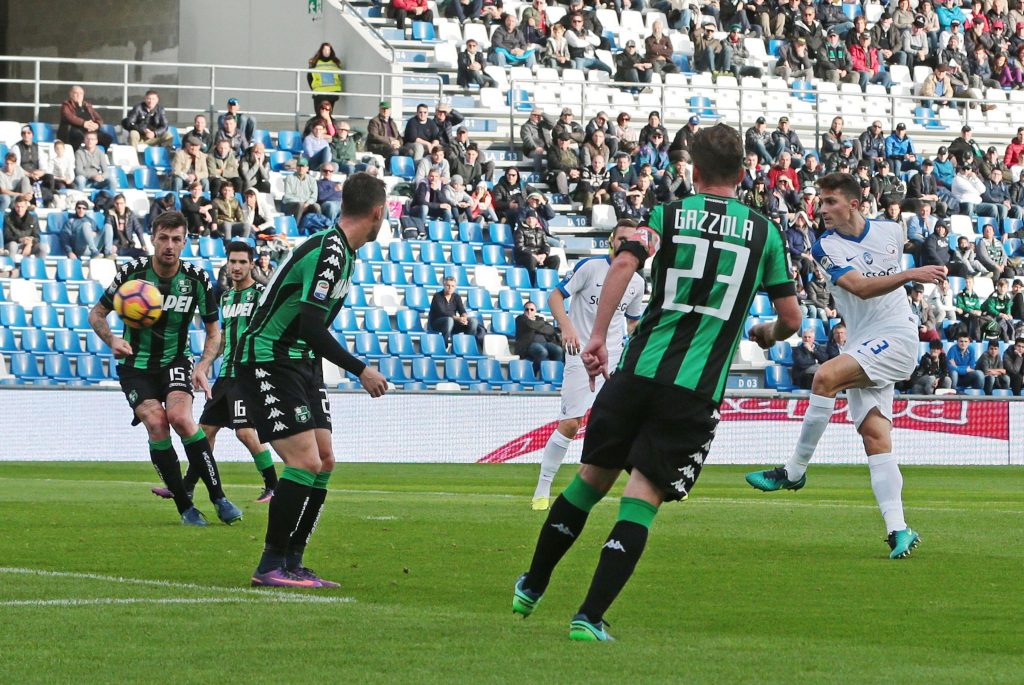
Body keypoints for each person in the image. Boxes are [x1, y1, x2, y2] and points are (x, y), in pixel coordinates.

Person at [512, 123, 801, 641]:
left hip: (637, 372)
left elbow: (624, 259)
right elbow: (792, 319)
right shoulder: (765, 233)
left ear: (692, 169)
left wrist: (597, 335)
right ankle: (588, 616)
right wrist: (767, 332)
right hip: (695, 388)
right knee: (641, 499)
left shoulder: (665, 216)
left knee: (589, 481)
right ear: (742, 172)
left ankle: (532, 583)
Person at [745, 172, 948, 560]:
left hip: (898, 337)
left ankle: (793, 471)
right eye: (820, 202)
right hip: (864, 342)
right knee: (875, 436)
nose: (822, 209)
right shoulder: (826, 246)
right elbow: (858, 286)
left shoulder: (891, 230)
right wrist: (910, 274)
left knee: (825, 376)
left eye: (830, 202)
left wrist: (925, 272)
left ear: (854, 204)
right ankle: (899, 529)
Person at [235, 173, 389, 587]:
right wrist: (360, 369)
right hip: (269, 358)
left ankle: (293, 560)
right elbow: (309, 325)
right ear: (377, 212)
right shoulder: (330, 251)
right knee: (303, 462)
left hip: (300, 361)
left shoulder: (344, 253)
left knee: (324, 461)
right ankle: (270, 565)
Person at [88, 212, 240, 526]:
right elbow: (97, 314)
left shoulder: (196, 278)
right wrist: (112, 339)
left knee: (182, 418)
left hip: (176, 360)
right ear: (153, 238)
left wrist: (203, 364)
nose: (169, 246)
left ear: (184, 242)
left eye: (176, 239)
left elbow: (215, 331)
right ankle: (186, 508)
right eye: (163, 238)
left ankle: (219, 497)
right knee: (157, 424)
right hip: (135, 366)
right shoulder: (131, 273)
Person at [531, 220, 646, 511]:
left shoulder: (637, 282)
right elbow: (555, 295)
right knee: (571, 423)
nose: (624, 244)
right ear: (611, 240)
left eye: (630, 240)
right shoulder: (590, 267)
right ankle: (543, 487)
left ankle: (655, 480)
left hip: (616, 357)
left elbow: (632, 321)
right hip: (580, 354)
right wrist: (567, 327)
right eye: (620, 238)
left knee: (633, 421)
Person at [155, 242, 278, 504]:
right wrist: (205, 363)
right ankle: (187, 487)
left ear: (252, 265)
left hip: (248, 374)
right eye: (232, 261)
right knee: (204, 431)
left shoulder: (261, 295)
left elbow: (271, 332)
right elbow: (222, 337)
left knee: (245, 432)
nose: (236, 267)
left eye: (242, 262)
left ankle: (273, 485)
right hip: (225, 375)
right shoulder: (225, 298)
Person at [429, 276, 485, 348]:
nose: (450, 288)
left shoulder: (457, 297)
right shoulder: (437, 296)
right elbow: (442, 312)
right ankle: (443, 346)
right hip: (438, 323)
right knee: (449, 320)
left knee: (473, 321)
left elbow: (462, 310)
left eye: (452, 286)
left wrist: (464, 317)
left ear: (455, 287)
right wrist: (458, 318)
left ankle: (467, 345)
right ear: (444, 285)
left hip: (453, 323)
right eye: (448, 285)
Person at [514, 300, 563, 374]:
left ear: (535, 311)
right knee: (542, 352)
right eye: (527, 309)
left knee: (558, 350)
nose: (529, 311)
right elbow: (530, 325)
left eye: (532, 309)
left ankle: (554, 373)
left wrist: (536, 327)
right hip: (529, 344)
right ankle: (533, 373)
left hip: (545, 343)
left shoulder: (540, 319)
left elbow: (550, 330)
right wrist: (541, 326)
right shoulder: (520, 319)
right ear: (524, 311)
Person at [514, 209, 560, 286]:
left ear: (536, 220)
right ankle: (532, 283)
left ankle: (551, 281)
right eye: (529, 218)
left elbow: (546, 245)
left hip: (539, 257)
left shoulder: (540, 231)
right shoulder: (520, 230)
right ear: (526, 219)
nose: (531, 220)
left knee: (556, 259)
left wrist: (544, 255)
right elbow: (520, 247)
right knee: (531, 259)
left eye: (533, 218)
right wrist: (534, 255)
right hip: (525, 257)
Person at [58, 85, 112, 149]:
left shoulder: (87, 106)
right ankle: (77, 156)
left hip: (89, 132)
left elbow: (99, 119)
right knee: (77, 136)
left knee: (107, 138)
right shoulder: (66, 105)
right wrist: (84, 123)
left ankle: (97, 155)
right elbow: (69, 117)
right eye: (76, 93)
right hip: (72, 131)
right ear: (71, 94)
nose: (79, 95)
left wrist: (97, 125)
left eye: (81, 93)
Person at [106, 193, 146, 258]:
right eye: (117, 203)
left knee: (145, 254)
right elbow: (108, 231)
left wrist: (143, 244)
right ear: (114, 204)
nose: (119, 206)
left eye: (121, 203)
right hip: (117, 247)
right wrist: (112, 245)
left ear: (125, 204)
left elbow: (138, 228)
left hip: (129, 246)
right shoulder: (110, 215)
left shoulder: (130, 214)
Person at [307, 43, 343, 111]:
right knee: (321, 113)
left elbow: (338, 76)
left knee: (325, 114)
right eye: (325, 49)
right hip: (320, 93)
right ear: (321, 51)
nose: (327, 51)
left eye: (328, 50)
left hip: (331, 93)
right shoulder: (315, 62)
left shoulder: (335, 62)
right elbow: (309, 77)